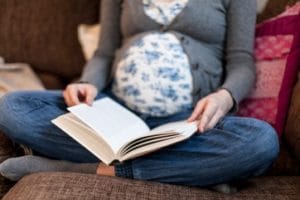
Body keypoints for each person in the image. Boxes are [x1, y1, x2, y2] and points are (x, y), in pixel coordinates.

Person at [0, 0, 279, 192]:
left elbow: (242, 62)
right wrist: (88, 83)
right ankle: (191, 171)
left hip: (189, 123)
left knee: (262, 142)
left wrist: (225, 97)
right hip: (114, 113)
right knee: (12, 107)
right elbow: (104, 53)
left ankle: (86, 168)